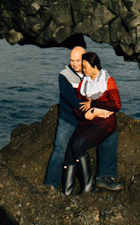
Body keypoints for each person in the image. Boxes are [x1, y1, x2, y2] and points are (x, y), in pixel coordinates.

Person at [43, 46, 122, 192]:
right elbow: (71, 98)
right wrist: (91, 111)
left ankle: (105, 176)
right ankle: (51, 185)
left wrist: (102, 111)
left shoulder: (92, 73)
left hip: (90, 118)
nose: (75, 64)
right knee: (61, 148)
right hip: (70, 118)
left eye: (78, 60)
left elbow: (108, 96)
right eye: (72, 60)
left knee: (110, 135)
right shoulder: (65, 75)